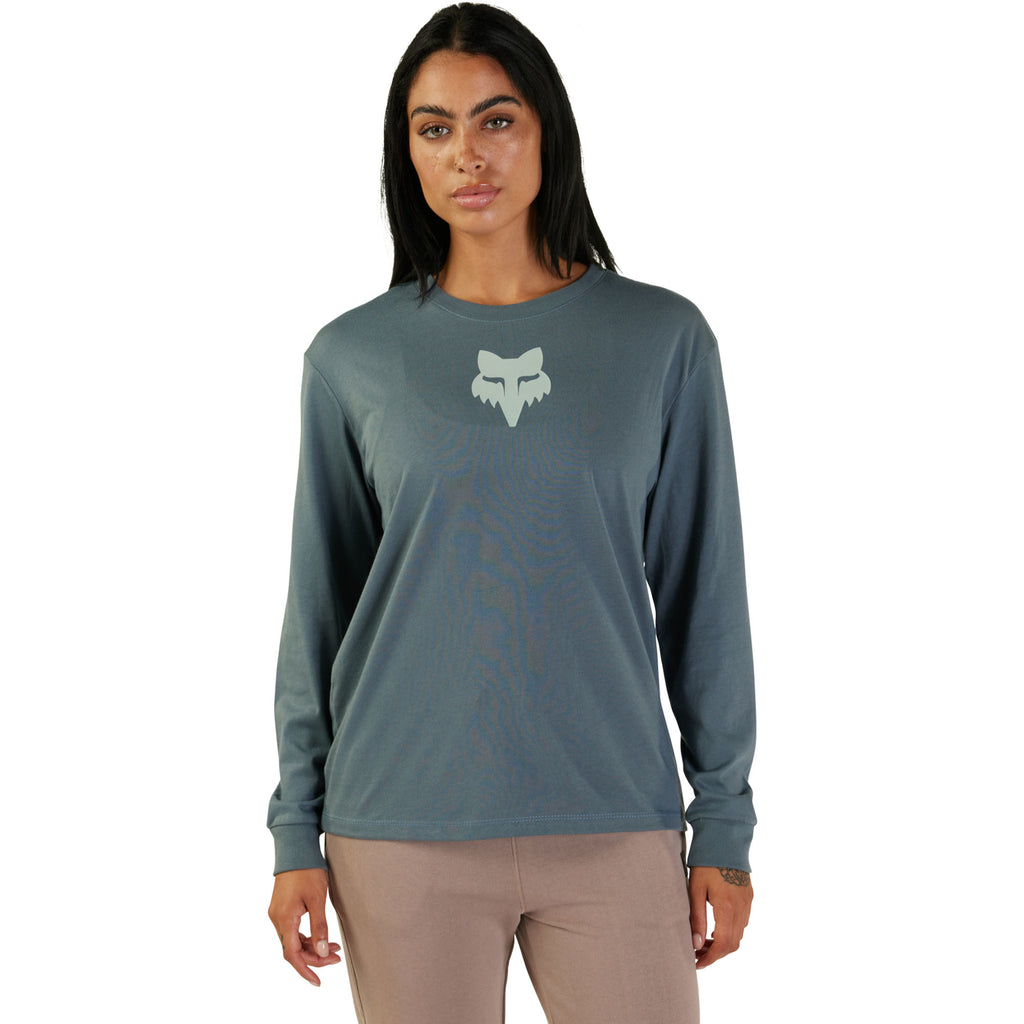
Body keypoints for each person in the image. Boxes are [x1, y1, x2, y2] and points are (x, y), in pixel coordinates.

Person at [266, 4, 756, 1022]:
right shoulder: (352, 358)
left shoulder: (661, 340)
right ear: (406, 153)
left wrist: (724, 819)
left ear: (547, 132)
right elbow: (320, 611)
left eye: (497, 119)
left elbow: (705, 596)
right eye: (433, 128)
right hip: (398, 825)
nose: (467, 153)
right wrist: (292, 829)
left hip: (614, 821)